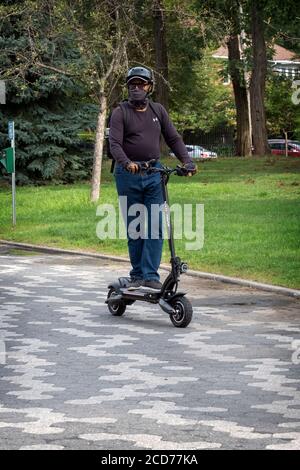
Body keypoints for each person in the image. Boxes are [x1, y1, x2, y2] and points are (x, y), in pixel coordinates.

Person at [109, 66, 196, 291]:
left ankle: (149, 275)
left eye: (141, 84)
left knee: (156, 225)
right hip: (128, 175)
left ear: (149, 87)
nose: (136, 89)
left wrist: (187, 161)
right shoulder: (120, 112)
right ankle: (137, 274)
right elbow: (115, 144)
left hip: (154, 174)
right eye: (132, 85)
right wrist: (127, 163)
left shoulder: (158, 110)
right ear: (128, 87)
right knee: (136, 227)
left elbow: (173, 138)